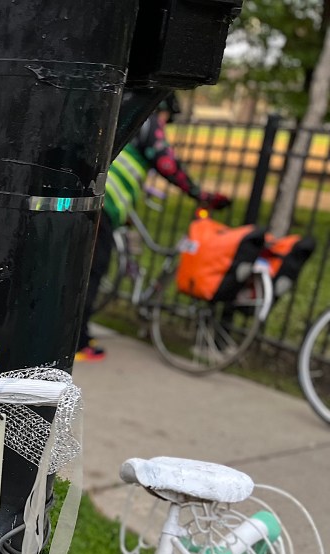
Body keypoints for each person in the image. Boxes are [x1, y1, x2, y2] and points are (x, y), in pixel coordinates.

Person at [77, 95, 230, 361]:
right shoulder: (146, 118)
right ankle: (76, 342)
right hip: (102, 203)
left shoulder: (128, 118)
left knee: (83, 270)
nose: (164, 127)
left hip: (100, 203)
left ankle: (75, 335)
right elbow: (167, 162)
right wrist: (199, 194)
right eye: (166, 120)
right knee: (91, 273)